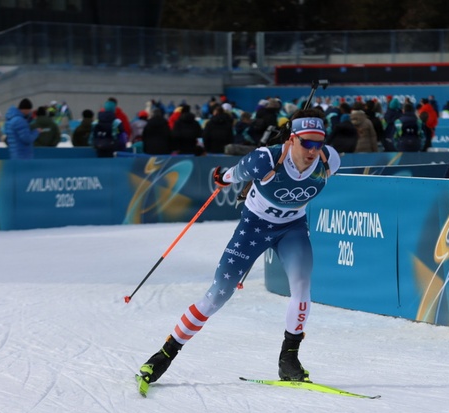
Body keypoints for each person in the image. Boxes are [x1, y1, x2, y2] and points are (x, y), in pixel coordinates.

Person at [135, 109, 342, 395]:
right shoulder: (266, 159)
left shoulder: (329, 160)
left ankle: (289, 360)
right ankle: (164, 355)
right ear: (292, 139)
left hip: (292, 228)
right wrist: (222, 177)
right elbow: (231, 174)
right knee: (218, 294)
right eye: (307, 143)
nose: (313, 150)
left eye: (318, 143)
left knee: (302, 288)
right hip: (254, 227)